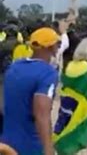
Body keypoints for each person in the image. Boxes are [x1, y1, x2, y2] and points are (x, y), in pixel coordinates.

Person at [1, 27, 60, 155]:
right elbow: (41, 115)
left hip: (7, 139)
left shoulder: (14, 67)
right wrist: (48, 149)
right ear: (50, 47)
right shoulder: (48, 73)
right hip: (30, 143)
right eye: (57, 43)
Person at [53, 38, 87, 155]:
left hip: (68, 105)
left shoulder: (70, 65)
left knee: (69, 132)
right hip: (84, 108)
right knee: (80, 135)